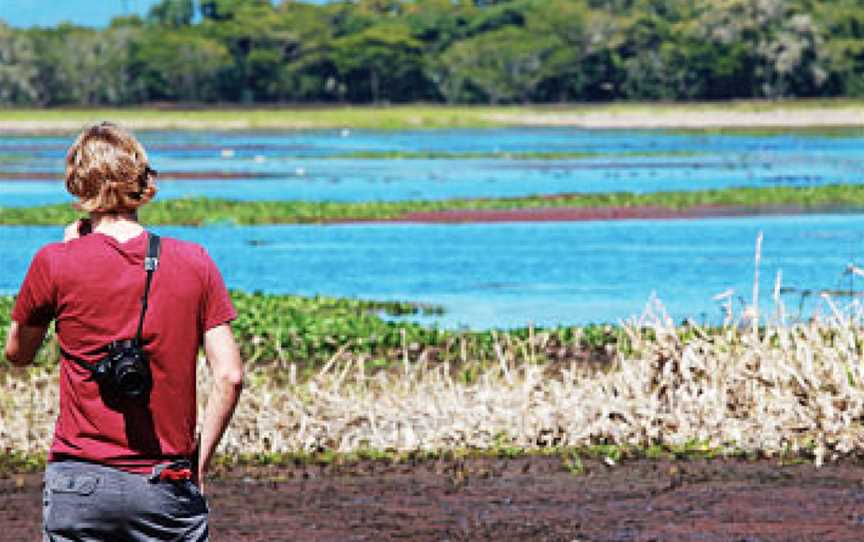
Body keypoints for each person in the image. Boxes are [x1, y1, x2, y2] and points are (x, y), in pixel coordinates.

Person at [3, 122, 244, 541]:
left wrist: (67, 253)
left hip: (79, 484)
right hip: (166, 482)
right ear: (143, 182)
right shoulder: (195, 261)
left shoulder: (54, 262)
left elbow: (17, 353)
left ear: (78, 184)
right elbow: (230, 376)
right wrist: (197, 467)